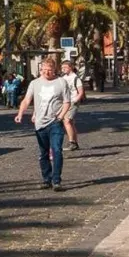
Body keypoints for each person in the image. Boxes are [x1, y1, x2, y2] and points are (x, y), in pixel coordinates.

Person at [16, 57, 74, 191]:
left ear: (55, 70)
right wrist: (20, 114)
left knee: (57, 150)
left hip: (55, 123)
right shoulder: (35, 83)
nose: (46, 72)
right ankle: (46, 179)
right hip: (40, 123)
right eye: (44, 70)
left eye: (49, 70)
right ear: (41, 70)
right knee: (43, 153)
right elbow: (26, 100)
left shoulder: (61, 82)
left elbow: (67, 102)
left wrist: (60, 116)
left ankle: (56, 180)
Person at [60, 58, 85, 150]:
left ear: (71, 68)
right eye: (62, 68)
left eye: (65, 67)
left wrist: (75, 100)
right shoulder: (63, 78)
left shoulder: (75, 78)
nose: (63, 69)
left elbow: (81, 92)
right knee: (70, 122)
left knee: (66, 121)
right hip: (65, 102)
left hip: (73, 102)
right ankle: (75, 142)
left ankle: (72, 142)